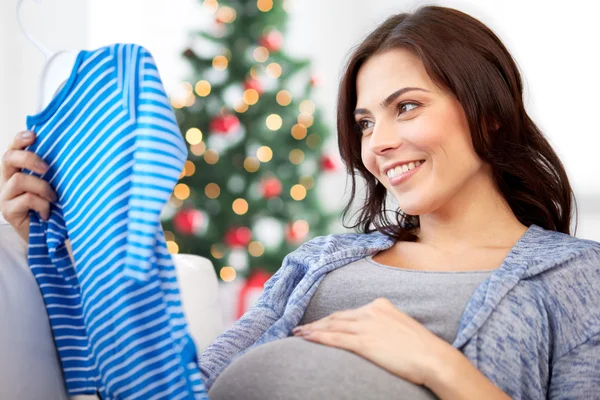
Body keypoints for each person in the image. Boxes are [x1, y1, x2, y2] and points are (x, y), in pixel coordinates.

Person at [1, 5, 599, 400]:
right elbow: (194, 382)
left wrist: (438, 364)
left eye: (407, 106)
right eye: (364, 123)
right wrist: (55, 252)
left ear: (489, 117)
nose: (380, 143)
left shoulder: (578, 276)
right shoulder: (320, 259)